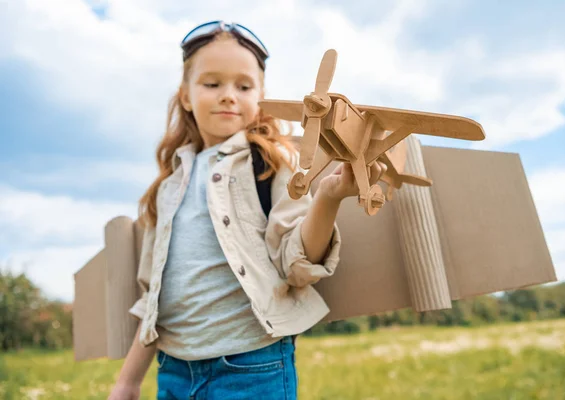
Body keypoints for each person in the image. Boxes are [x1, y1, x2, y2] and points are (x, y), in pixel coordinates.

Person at [108, 20, 386, 400]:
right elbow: (153, 298)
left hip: (253, 368)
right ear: (186, 96)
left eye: (243, 86)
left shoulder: (271, 163)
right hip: (172, 371)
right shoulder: (168, 187)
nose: (228, 96)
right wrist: (127, 381)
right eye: (212, 84)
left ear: (261, 97)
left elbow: (297, 264)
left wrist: (329, 196)